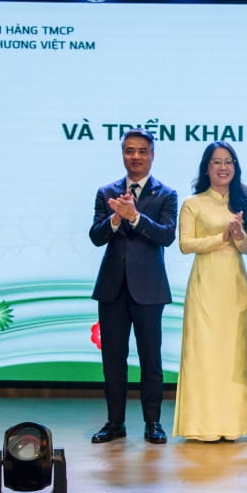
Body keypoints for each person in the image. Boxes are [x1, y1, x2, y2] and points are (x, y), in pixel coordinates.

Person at [89, 128, 178, 445]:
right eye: (129, 151)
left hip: (149, 290)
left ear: (152, 155)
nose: (135, 157)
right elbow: (96, 236)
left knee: (150, 360)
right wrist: (116, 219)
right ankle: (115, 422)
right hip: (112, 288)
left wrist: (135, 217)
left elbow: (166, 236)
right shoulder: (106, 192)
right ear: (123, 154)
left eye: (142, 151)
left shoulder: (166, 194)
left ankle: (153, 423)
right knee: (113, 360)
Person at [172, 141, 247, 442]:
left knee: (233, 355)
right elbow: (185, 245)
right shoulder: (193, 203)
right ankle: (201, 425)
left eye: (229, 161)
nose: (223, 167)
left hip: (234, 285)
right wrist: (221, 237)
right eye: (217, 162)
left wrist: (239, 235)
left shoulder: (243, 203)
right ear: (206, 168)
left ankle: (232, 425)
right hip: (205, 286)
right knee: (204, 353)